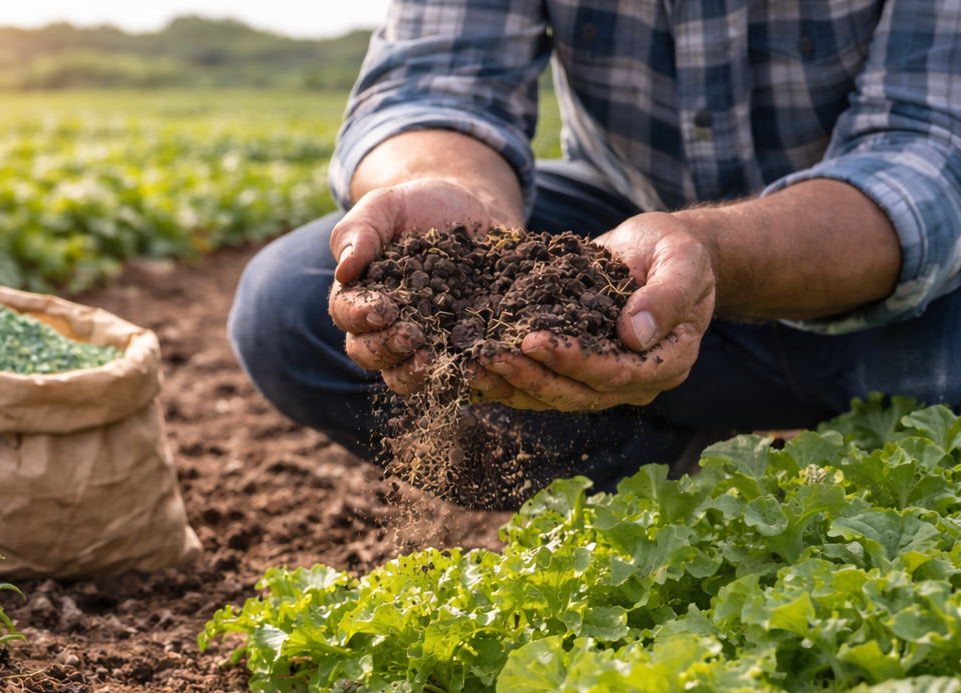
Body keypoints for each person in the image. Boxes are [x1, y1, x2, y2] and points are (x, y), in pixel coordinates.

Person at [228, 0, 961, 508]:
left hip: (916, 288)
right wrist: (444, 189)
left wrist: (711, 252)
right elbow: (435, 78)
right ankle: (669, 486)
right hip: (634, 244)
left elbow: (929, 153)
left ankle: (762, 439)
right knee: (294, 308)